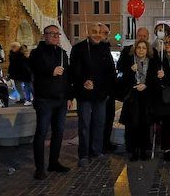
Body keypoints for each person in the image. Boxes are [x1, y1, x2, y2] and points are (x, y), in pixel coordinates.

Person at [30, 25, 73, 180]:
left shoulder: (62, 53)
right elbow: (34, 68)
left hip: (61, 100)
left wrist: (69, 97)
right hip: (44, 100)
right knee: (41, 132)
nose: (55, 36)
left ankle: (53, 162)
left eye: (57, 34)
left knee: (59, 132)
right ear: (44, 36)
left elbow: (67, 77)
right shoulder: (37, 53)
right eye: (52, 34)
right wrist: (51, 71)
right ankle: (39, 168)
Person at [70, 23, 116, 167]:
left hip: (101, 94)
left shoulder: (104, 48)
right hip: (85, 94)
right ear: (88, 33)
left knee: (99, 123)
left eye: (100, 32)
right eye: (94, 31)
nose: (97, 34)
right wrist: (83, 81)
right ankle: (83, 154)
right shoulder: (78, 48)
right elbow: (74, 70)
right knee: (84, 125)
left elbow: (110, 72)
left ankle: (96, 150)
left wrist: (107, 90)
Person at [119, 40, 155, 161]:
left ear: (147, 50)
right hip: (132, 96)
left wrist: (146, 85)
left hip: (146, 96)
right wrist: (130, 70)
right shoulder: (129, 61)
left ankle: (144, 149)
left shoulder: (152, 62)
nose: (141, 50)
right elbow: (123, 79)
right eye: (138, 47)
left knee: (145, 124)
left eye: (143, 48)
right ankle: (133, 150)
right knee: (132, 125)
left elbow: (154, 78)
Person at [98, 23, 117, 152]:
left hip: (110, 90)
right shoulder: (95, 48)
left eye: (107, 33)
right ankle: (100, 144)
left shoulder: (105, 47)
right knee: (101, 120)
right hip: (100, 90)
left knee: (109, 118)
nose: (107, 35)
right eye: (105, 33)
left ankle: (106, 143)